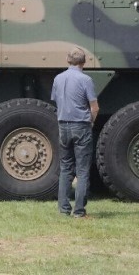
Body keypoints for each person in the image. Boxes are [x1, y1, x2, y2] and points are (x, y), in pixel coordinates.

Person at [51, 46, 98, 218]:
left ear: (68, 60)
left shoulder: (58, 78)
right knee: (83, 170)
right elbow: (94, 107)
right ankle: (79, 210)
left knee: (65, 168)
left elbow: (56, 100)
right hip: (81, 126)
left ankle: (63, 209)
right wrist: (91, 122)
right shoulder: (86, 80)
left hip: (63, 125)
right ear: (84, 62)